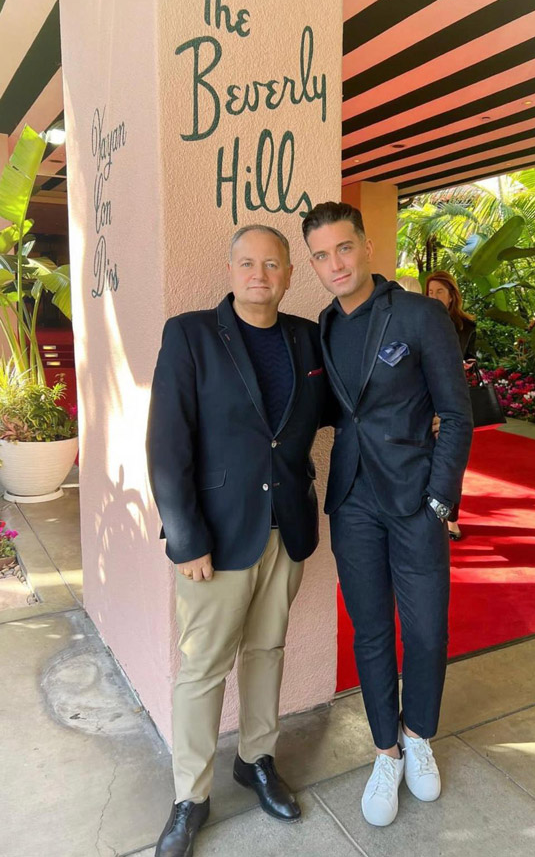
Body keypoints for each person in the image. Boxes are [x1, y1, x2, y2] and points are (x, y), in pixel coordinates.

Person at [146, 225, 329, 857]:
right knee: (203, 667)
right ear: (230, 270)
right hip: (216, 539)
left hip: (287, 528)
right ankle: (189, 797)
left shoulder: (307, 336)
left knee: (267, 650)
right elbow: (167, 443)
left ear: (288, 274)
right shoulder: (190, 334)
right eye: (247, 263)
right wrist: (185, 538)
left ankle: (256, 760)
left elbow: (337, 408)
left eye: (272, 264)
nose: (259, 275)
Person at [302, 202, 473, 828]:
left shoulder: (420, 315)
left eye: (343, 248)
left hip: (415, 500)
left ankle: (419, 734)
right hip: (352, 501)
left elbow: (456, 415)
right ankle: (386, 751)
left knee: (426, 630)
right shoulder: (323, 327)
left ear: (366, 246)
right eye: (321, 255)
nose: (335, 264)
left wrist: (439, 501)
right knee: (370, 631)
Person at [426, 270, 476, 541]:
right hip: (426, 397)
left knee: (453, 457)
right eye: (430, 292)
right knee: (430, 456)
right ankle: (431, 510)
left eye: (439, 292)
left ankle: (452, 518)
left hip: (453, 399)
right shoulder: (421, 319)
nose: (434, 296)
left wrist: (468, 364)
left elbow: (471, 355)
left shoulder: (465, 325)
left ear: (451, 296)